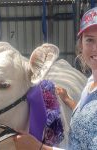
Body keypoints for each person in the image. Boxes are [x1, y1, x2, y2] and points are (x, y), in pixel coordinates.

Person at [14, 7, 97, 150]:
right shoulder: (91, 82)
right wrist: (68, 100)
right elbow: (89, 114)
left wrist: (40, 148)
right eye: (90, 40)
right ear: (81, 45)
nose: (96, 48)